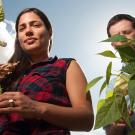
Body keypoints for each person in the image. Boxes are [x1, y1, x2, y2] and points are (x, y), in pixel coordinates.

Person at [0, 8, 94, 135]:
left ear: (49, 32)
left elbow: (86, 120)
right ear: (18, 39)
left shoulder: (66, 65)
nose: (28, 31)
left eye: (36, 25)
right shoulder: (7, 74)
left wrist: (36, 108)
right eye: (22, 29)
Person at [104, 14, 135, 135]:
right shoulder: (113, 84)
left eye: (126, 32)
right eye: (116, 37)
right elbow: (110, 132)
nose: (121, 38)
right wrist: (118, 123)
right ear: (113, 45)